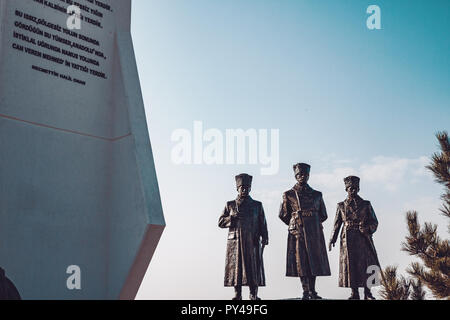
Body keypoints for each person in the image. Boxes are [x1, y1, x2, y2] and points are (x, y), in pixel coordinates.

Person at [279, 163, 331, 300]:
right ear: (296, 176)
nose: (303, 177)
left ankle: (313, 290)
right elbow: (283, 214)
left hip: (314, 232)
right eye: (300, 174)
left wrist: (312, 221)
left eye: (305, 174)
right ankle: (305, 290)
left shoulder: (317, 194)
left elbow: (324, 214)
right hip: (298, 232)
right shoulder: (289, 194)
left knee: (313, 261)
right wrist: (294, 222)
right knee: (301, 261)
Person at [329, 176, 380, 300]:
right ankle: (354, 292)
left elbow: (374, 222)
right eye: (351, 188)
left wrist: (367, 229)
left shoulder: (366, 204)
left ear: (359, 188)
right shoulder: (341, 206)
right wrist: (332, 238)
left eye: (355, 188)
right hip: (348, 238)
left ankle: (368, 292)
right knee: (350, 264)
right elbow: (337, 223)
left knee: (366, 264)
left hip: (363, 238)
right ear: (346, 189)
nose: (353, 190)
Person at [219, 173, 268, 300]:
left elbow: (262, 222)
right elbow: (220, 222)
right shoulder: (230, 205)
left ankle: (253, 294)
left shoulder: (257, 205)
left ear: (250, 188)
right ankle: (237, 294)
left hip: (252, 241)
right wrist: (231, 218)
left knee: (253, 267)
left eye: (247, 187)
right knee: (237, 268)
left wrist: (265, 236)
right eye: (242, 188)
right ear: (237, 188)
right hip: (235, 242)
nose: (244, 190)